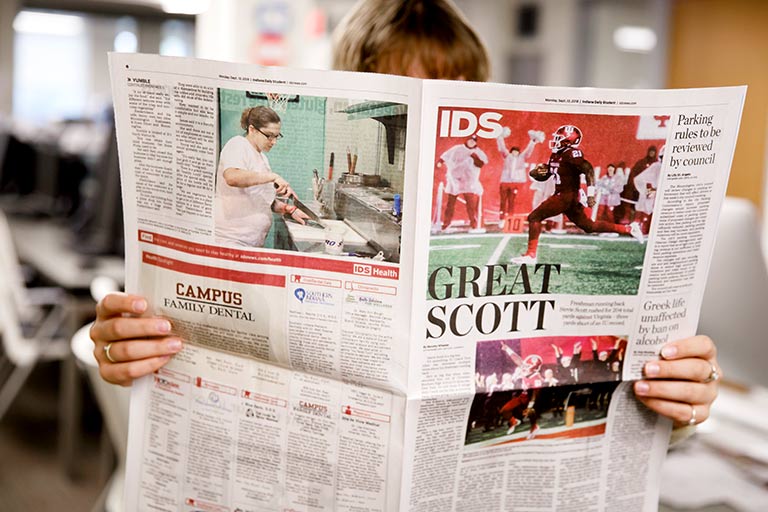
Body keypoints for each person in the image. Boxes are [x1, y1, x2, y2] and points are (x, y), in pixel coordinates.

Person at [91, 0, 721, 434]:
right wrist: (137, 353)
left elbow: (640, 421)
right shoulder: (241, 169)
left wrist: (675, 405)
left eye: (444, 89)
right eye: (396, 88)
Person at [512, 124, 645, 265]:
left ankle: (531, 255)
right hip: (565, 197)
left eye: (559, 138)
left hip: (566, 195)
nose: (556, 140)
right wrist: (537, 174)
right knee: (589, 226)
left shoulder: (571, 153)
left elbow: (588, 170)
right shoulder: (556, 154)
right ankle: (628, 228)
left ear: (569, 141)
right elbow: (550, 174)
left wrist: (591, 195)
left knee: (534, 217)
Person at [215, 106, 309, 247]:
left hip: (251, 241)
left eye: (277, 136)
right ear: (252, 129)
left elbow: (262, 200)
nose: (274, 141)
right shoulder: (238, 144)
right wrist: (273, 177)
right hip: (232, 239)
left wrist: (289, 209)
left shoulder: (262, 158)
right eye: (269, 135)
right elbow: (232, 177)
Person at [437, 135, 488, 232]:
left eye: (474, 141)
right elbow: (445, 156)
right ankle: (446, 223)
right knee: (450, 204)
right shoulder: (458, 149)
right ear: (467, 140)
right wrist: (439, 162)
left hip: (469, 181)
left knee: (470, 205)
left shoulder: (478, 152)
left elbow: (481, 164)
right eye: (470, 140)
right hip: (454, 180)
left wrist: (474, 157)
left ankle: (473, 224)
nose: (472, 143)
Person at [496, 127, 544, 229]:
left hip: (515, 183)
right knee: (503, 202)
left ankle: (509, 219)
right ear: (511, 152)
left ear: (518, 153)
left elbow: (528, 151)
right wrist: (500, 138)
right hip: (505, 182)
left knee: (511, 202)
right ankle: (501, 219)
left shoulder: (522, 158)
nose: (515, 153)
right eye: (513, 151)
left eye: (517, 152)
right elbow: (502, 148)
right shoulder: (507, 157)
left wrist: (533, 141)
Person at [633, 145, 665, 235]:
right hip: (653, 191)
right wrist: (648, 190)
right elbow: (640, 179)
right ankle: (642, 230)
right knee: (647, 208)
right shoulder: (656, 166)